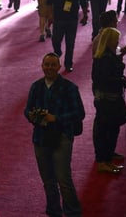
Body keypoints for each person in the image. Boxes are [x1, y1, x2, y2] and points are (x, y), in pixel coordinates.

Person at [24, 52, 84, 217]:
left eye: (53, 65)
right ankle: (54, 211)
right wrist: (31, 116)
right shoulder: (35, 87)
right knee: (48, 181)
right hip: (40, 137)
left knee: (63, 179)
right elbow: (27, 109)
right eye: (46, 64)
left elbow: (79, 113)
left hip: (62, 137)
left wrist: (55, 118)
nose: (49, 67)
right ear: (42, 66)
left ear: (59, 67)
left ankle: (72, 212)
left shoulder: (70, 87)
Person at [92, 28, 126, 173]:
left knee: (111, 129)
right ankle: (103, 160)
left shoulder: (106, 55)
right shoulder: (104, 58)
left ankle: (107, 158)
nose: (117, 43)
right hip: (107, 100)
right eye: (115, 40)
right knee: (106, 131)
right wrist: (120, 81)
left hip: (109, 98)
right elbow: (103, 79)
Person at [47, 0, 88, 72]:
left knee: (70, 43)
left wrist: (85, 15)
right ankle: (58, 52)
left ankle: (68, 64)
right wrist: (50, 15)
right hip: (58, 18)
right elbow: (49, 2)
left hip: (72, 19)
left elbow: (84, 2)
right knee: (56, 40)